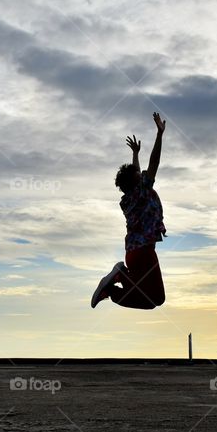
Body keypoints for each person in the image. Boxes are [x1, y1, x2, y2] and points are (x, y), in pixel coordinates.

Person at [91, 112, 168, 309]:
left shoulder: (127, 200)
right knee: (156, 299)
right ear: (136, 181)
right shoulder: (143, 191)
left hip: (133, 254)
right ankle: (117, 281)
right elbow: (154, 162)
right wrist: (159, 134)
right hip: (144, 254)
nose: (141, 174)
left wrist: (135, 153)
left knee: (148, 298)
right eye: (138, 175)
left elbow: (135, 172)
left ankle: (119, 279)